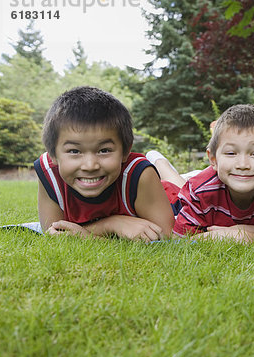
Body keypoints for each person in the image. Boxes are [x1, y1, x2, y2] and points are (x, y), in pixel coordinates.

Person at [35, 86, 175, 242]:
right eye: (74, 151)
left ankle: (160, 163)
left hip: (170, 196)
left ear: (125, 151)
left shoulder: (139, 174)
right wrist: (112, 224)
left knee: (181, 185)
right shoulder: (49, 173)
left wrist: (84, 233)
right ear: (53, 154)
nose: (90, 166)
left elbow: (165, 234)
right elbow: (55, 234)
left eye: (104, 150)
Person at [155, 104, 254, 242]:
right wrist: (224, 235)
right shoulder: (199, 192)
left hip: (216, 179)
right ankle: (158, 161)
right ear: (213, 159)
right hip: (188, 192)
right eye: (231, 153)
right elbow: (178, 240)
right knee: (175, 186)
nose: (243, 165)